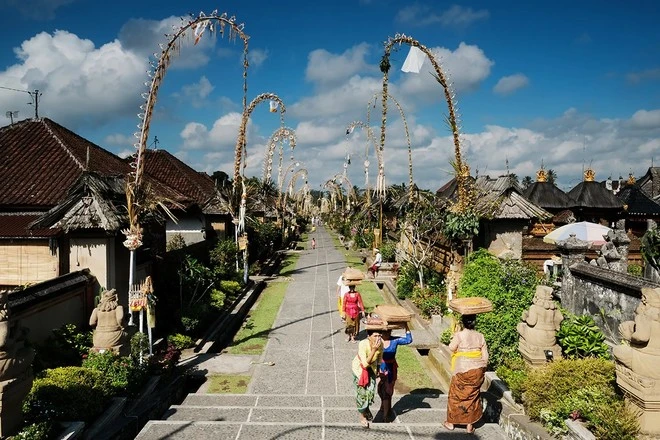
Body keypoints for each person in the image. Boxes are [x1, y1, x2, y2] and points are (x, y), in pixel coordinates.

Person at [444, 314, 489, 434]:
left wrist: (454, 336)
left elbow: (452, 347)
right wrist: (481, 369)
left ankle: (451, 423)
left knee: (456, 395)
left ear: (463, 322)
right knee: (472, 396)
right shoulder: (480, 336)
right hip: (477, 370)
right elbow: (485, 356)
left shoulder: (459, 335)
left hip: (462, 370)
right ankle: (469, 425)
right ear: (475, 322)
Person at [378, 323, 413, 422]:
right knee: (381, 389)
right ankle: (383, 405)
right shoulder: (378, 340)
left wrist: (406, 327)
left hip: (391, 368)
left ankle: (386, 413)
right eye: (385, 332)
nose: (387, 334)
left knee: (388, 390)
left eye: (389, 332)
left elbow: (408, 340)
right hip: (381, 368)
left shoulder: (395, 340)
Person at [351, 328, 384, 428]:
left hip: (372, 370)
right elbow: (365, 364)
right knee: (362, 394)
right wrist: (373, 350)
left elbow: (380, 357)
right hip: (360, 371)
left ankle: (366, 409)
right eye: (375, 336)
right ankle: (362, 417)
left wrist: (378, 369)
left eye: (379, 336)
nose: (378, 338)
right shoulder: (363, 344)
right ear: (369, 336)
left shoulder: (380, 344)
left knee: (370, 393)